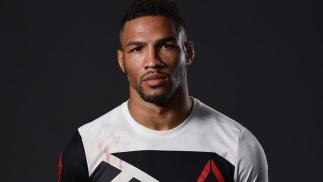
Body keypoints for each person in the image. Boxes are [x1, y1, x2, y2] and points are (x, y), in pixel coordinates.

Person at [57, 0, 268, 181]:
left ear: (189, 52)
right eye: (137, 49)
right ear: (122, 60)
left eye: (166, 45)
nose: (152, 61)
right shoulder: (87, 145)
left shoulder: (238, 145)